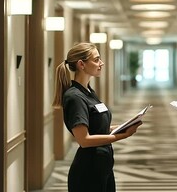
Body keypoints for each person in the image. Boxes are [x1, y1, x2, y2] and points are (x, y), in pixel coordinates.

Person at [52, 42, 142, 192]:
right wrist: (121, 136)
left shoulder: (88, 91)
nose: (102, 63)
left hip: (102, 165)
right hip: (89, 170)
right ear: (82, 64)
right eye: (96, 59)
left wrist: (123, 126)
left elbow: (97, 128)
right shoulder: (75, 97)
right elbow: (84, 140)